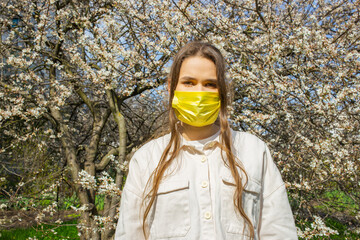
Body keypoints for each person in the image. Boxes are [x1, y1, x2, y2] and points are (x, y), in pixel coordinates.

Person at [114, 42, 298, 240]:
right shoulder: (147, 159)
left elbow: (279, 231)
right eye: (189, 82)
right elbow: (130, 234)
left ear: (221, 91)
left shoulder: (253, 151)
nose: (199, 92)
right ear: (171, 86)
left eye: (210, 84)